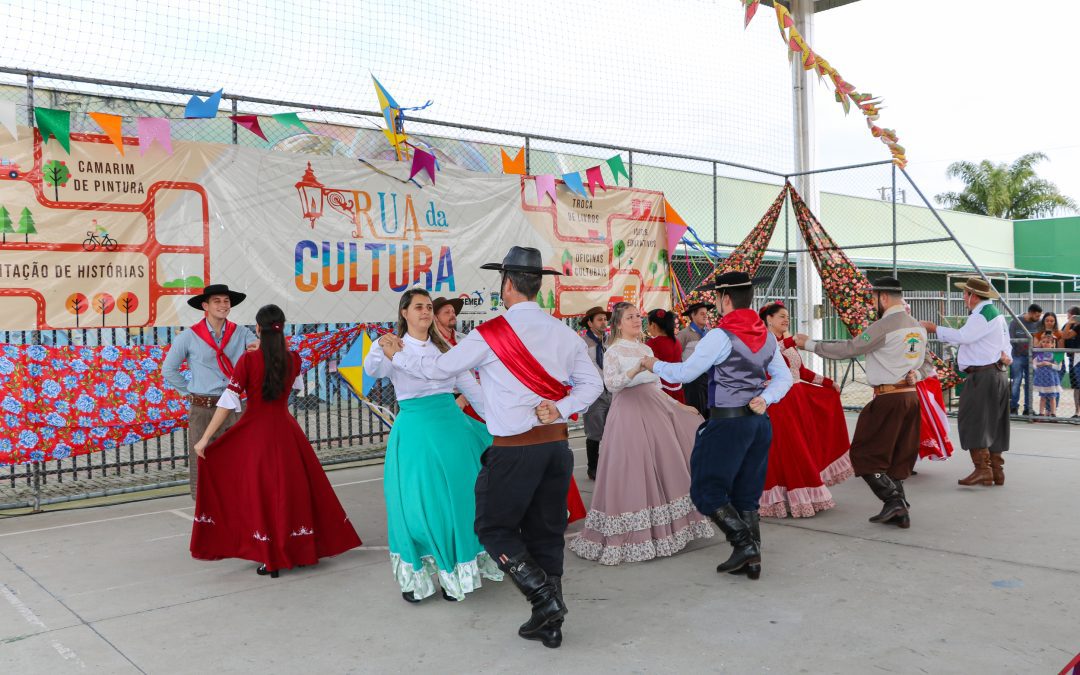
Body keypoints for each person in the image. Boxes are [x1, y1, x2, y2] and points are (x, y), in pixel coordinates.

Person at [380, 246, 602, 649]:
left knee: (493, 527)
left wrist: (400, 357)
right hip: (555, 447)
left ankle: (543, 598)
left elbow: (438, 368)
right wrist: (563, 407)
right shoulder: (564, 333)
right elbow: (594, 384)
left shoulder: (490, 334)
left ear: (508, 284)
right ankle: (547, 622)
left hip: (514, 450)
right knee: (546, 531)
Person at [189, 304, 362, 576]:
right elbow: (296, 386)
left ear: (258, 328)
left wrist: (205, 439)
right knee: (292, 489)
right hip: (286, 432)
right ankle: (300, 550)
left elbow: (228, 402)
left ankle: (270, 553)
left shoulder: (248, 361)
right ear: (282, 327)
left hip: (256, 434)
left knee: (263, 493)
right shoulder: (293, 359)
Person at [640, 272, 793, 580]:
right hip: (759, 423)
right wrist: (767, 398)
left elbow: (684, 373)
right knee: (746, 494)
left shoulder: (720, 336)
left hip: (728, 423)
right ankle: (751, 560)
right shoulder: (765, 335)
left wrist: (651, 364)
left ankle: (744, 545)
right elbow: (784, 377)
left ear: (725, 299)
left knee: (706, 490)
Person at [364, 288, 502, 603]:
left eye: (428, 307)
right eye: (418, 307)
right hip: (415, 433)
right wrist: (382, 347)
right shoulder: (391, 346)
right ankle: (420, 576)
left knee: (457, 500)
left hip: (452, 430)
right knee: (415, 504)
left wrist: (499, 425)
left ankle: (456, 573)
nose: (425, 311)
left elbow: (472, 389)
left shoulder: (447, 350)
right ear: (404, 313)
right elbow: (373, 372)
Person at [569, 302, 712, 565]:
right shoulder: (613, 350)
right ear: (618, 323)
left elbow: (657, 386)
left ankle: (667, 530)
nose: (637, 320)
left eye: (638, 316)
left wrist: (680, 405)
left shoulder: (646, 348)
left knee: (665, 466)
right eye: (630, 317)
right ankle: (634, 534)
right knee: (634, 469)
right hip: (629, 413)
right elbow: (612, 384)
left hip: (655, 408)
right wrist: (637, 368)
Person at [795, 277, 929, 529]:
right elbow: (927, 365)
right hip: (910, 396)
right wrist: (917, 375)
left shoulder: (884, 326)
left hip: (888, 397)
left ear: (884, 298)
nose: (872, 303)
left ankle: (893, 500)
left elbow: (849, 348)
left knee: (864, 454)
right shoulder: (917, 327)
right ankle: (898, 506)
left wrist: (809, 344)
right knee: (898, 455)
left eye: (874, 298)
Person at [163, 284, 258, 499]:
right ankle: (205, 509)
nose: (223, 305)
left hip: (234, 406)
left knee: (240, 456)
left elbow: (257, 348)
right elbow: (168, 370)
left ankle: (240, 503)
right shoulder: (188, 337)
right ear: (205, 306)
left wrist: (258, 346)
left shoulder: (241, 333)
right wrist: (190, 392)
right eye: (217, 301)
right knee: (202, 458)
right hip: (203, 408)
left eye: (226, 301)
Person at [756, 302, 850, 518]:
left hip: (797, 401)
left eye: (787, 316)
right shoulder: (764, 341)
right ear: (768, 319)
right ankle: (790, 497)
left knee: (802, 446)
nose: (786, 320)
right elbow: (768, 357)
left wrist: (827, 382)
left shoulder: (786, 343)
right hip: (780, 402)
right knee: (791, 449)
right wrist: (791, 341)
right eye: (781, 316)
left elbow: (802, 371)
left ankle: (798, 496)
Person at [921, 276, 1011, 488]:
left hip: (983, 376)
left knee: (974, 421)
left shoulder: (981, 315)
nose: (963, 297)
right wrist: (1007, 357)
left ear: (973, 295)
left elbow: (964, 336)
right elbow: (1006, 346)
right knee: (995, 423)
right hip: (997, 373)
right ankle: (996, 471)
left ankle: (983, 470)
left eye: (965, 293)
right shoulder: (995, 315)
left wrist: (934, 328)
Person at [579, 306, 612, 480]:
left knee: (612, 431)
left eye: (605, 319)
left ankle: (609, 466)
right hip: (593, 393)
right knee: (594, 432)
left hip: (611, 391)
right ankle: (593, 467)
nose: (604, 322)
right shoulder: (583, 343)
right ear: (590, 323)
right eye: (599, 319)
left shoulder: (610, 341)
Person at [676, 301, 714, 417]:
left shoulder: (709, 333)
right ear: (693, 315)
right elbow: (677, 355)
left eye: (706, 313)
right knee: (697, 412)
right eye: (702, 313)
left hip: (709, 378)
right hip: (693, 381)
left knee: (710, 412)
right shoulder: (684, 335)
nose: (705, 316)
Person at [1007, 303, 1042, 415]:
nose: (1038, 318)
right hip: (1017, 357)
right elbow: (1010, 339)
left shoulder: (1039, 323)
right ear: (1030, 312)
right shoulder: (1015, 322)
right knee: (1016, 382)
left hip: (1032, 357)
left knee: (1029, 383)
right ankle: (1013, 407)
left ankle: (1028, 408)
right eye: (1037, 316)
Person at [645, 309, 686, 403]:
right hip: (677, 387)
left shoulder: (652, 343)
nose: (647, 327)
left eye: (648, 324)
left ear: (654, 325)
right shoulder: (676, 342)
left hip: (661, 391)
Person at [1033, 334, 1063, 417]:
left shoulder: (1056, 353)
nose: (1046, 344)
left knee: (1052, 397)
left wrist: (1049, 364)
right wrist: (1039, 364)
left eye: (1048, 342)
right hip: (1042, 379)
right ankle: (1041, 413)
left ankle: (1053, 413)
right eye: (1044, 342)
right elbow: (1034, 365)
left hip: (1051, 379)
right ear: (1041, 343)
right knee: (1042, 397)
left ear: (1053, 344)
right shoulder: (1040, 353)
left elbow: (1059, 367)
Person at [1064, 307, 1080, 418]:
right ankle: (1077, 412)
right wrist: (1069, 323)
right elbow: (1065, 336)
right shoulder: (1074, 326)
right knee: (1077, 387)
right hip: (1075, 358)